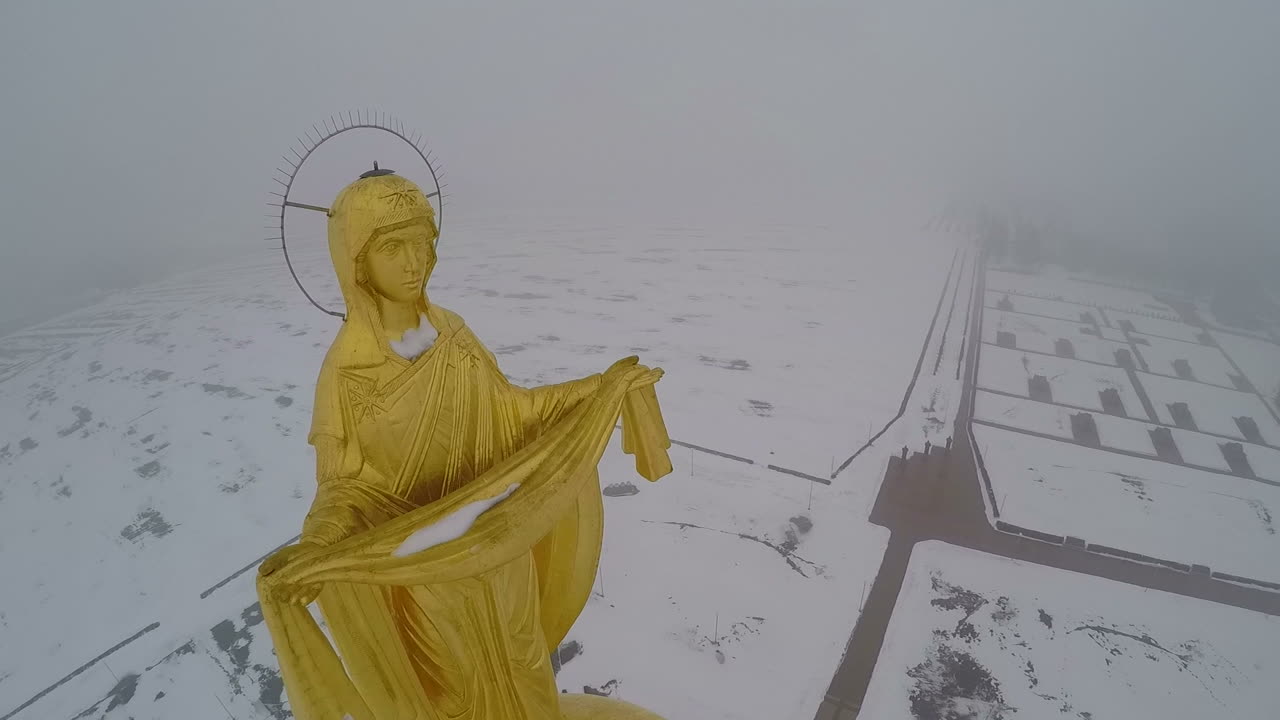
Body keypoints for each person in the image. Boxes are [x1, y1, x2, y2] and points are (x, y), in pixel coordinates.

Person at [257, 169, 671, 720]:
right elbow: (343, 486)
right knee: (456, 695)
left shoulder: (452, 333)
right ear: (357, 261)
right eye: (392, 247)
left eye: (423, 245)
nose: (414, 262)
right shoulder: (348, 372)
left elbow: (513, 411)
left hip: (501, 548)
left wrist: (602, 387)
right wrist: (316, 547)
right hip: (429, 572)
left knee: (526, 669)